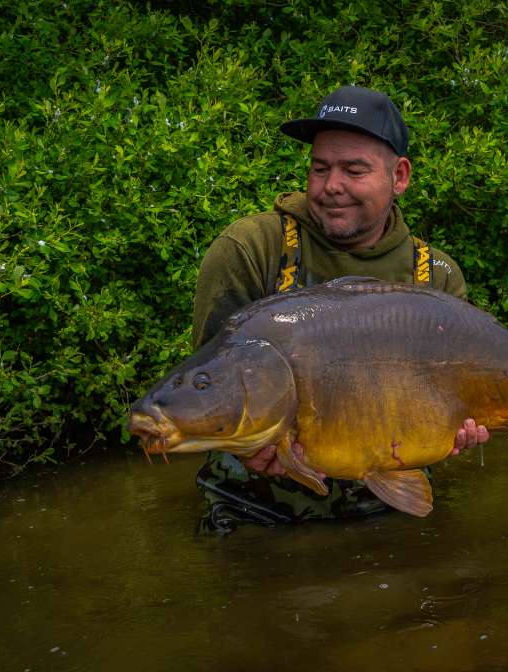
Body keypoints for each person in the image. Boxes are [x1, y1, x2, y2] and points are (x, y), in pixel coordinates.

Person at [191, 85, 488, 533]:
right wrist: (244, 449)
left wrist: (461, 428)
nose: (332, 187)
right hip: (254, 510)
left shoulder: (436, 275)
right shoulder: (251, 249)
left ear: (399, 176)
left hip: (386, 508)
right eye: (320, 168)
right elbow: (208, 385)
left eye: (354, 170)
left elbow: (463, 398)